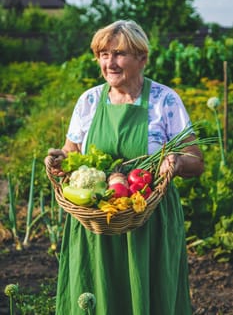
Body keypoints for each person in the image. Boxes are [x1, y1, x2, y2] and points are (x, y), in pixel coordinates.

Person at [46, 20, 204, 315]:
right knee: (95, 292)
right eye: (103, 55)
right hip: (95, 221)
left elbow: (196, 160)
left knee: (149, 295)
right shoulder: (89, 101)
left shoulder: (164, 101)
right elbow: (71, 153)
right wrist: (59, 159)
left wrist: (179, 162)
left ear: (141, 57)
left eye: (118, 53)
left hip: (149, 221)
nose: (109, 63)